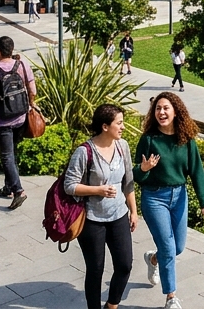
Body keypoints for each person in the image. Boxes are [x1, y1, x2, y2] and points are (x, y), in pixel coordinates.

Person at [135, 92, 204, 309]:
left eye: (166, 108)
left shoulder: (185, 140)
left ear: (176, 111)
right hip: (154, 197)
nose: (161, 112)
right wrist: (144, 168)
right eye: (158, 108)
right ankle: (171, 298)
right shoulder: (148, 139)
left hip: (179, 196)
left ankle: (153, 259)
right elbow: (136, 175)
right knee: (168, 247)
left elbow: (197, 171)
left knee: (177, 247)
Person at [65, 104, 138, 309]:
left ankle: (112, 304)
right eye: (119, 123)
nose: (123, 127)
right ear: (105, 126)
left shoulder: (122, 146)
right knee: (96, 270)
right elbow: (69, 185)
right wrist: (97, 190)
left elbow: (128, 182)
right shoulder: (84, 151)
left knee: (125, 265)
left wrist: (133, 211)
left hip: (119, 215)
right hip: (91, 220)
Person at [0, 36, 36, 210]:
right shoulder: (22, 65)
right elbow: (32, 90)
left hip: (1, 121)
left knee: (7, 156)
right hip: (20, 117)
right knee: (12, 153)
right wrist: (31, 104)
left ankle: (18, 191)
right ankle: (8, 187)